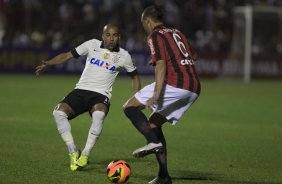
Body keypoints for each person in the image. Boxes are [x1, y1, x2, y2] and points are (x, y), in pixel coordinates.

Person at [35, 24, 141, 171]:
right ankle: (73, 150)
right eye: (108, 35)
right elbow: (67, 55)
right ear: (102, 36)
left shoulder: (124, 56)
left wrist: (138, 97)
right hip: (81, 90)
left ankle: (85, 154)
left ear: (119, 37)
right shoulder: (92, 44)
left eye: (115, 35)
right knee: (58, 113)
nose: (111, 38)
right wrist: (48, 63)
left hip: (101, 95)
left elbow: (135, 77)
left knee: (99, 115)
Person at [123, 5, 201, 184]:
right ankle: (164, 176)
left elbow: (161, 64)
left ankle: (152, 142)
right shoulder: (177, 33)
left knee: (129, 106)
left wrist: (157, 93)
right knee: (154, 124)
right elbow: (194, 55)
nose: (144, 27)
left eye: (144, 24)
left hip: (176, 84)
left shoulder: (155, 35)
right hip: (194, 87)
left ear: (147, 22)